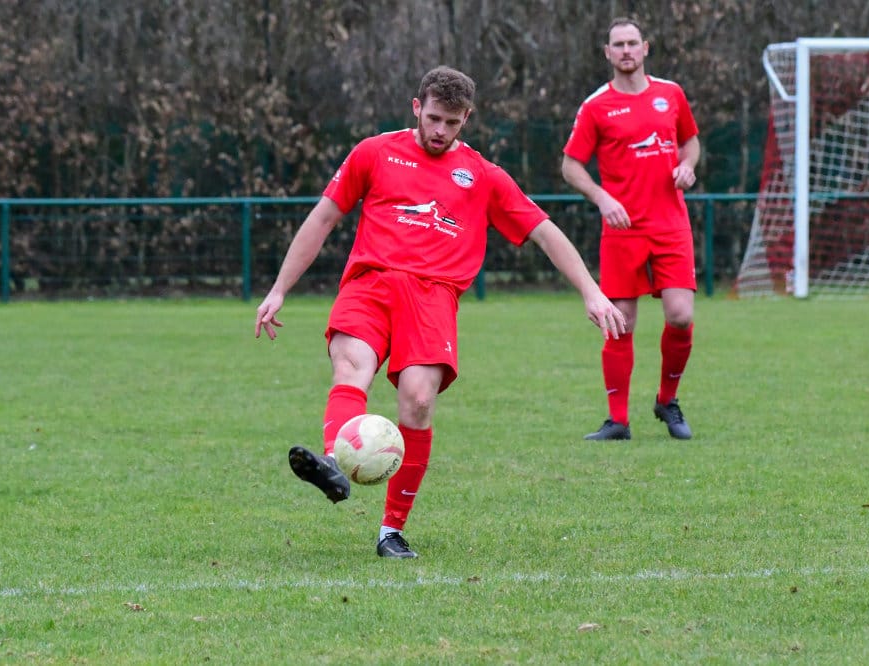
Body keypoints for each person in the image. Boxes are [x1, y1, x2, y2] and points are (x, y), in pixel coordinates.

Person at [254, 66, 626, 559]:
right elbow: (322, 218)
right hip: (370, 284)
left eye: (451, 122)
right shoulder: (374, 152)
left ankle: (390, 531)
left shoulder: (483, 176)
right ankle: (332, 464)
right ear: (416, 107)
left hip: (433, 297)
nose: (439, 130)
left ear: (466, 118)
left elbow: (544, 231)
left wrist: (591, 292)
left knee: (418, 401)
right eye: (432, 118)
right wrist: (280, 289)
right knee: (351, 365)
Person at [561, 17, 701, 441]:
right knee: (620, 322)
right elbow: (570, 166)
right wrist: (602, 198)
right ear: (608, 53)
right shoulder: (596, 106)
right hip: (622, 229)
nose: (626, 50)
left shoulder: (670, 94)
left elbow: (691, 142)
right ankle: (618, 421)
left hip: (670, 224)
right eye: (618, 44)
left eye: (632, 43)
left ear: (645, 48)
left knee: (681, 316)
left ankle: (667, 400)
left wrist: (688, 166)